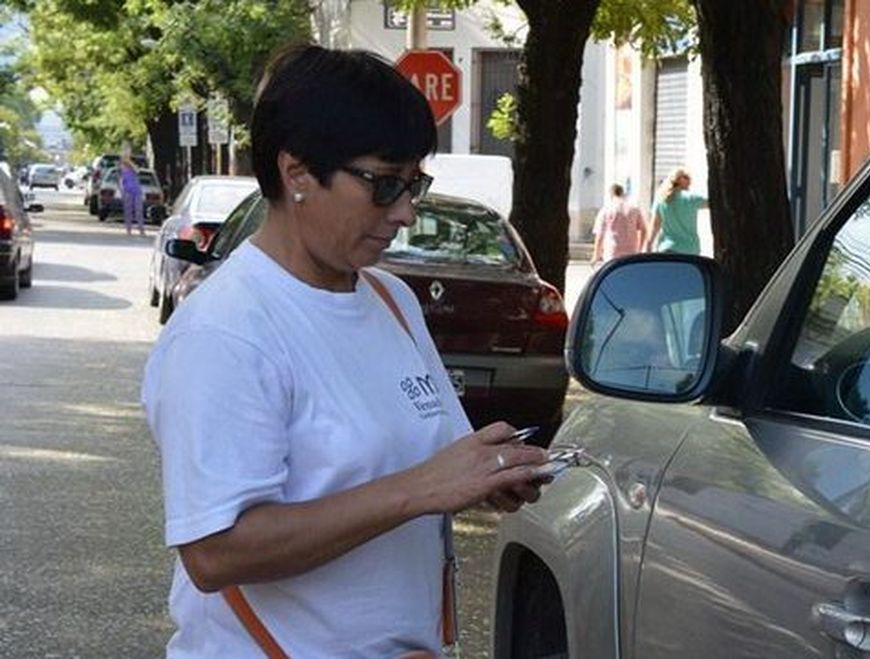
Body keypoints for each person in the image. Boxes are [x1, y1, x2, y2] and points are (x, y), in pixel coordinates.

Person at [140, 45, 551, 658]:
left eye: (415, 184)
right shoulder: (226, 330)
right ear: (298, 172)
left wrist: (483, 475)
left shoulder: (390, 299)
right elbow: (215, 551)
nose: (406, 212)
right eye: (384, 185)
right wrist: (422, 488)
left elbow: (422, 465)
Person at [645, 168, 708, 255]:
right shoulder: (692, 198)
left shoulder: (661, 199)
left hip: (667, 248)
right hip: (690, 250)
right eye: (687, 178)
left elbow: (655, 225)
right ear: (680, 180)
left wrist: (649, 245)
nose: (690, 181)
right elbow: (712, 203)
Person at [591, 182, 646, 265]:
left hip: (612, 252)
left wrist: (596, 255)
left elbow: (600, 234)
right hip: (631, 251)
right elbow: (643, 229)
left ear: (611, 195)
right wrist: (640, 248)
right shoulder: (634, 209)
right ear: (622, 193)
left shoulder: (606, 210)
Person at [120, 154, 145, 236]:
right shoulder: (123, 171)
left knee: (139, 211)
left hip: (137, 192)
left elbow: (137, 170)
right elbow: (121, 182)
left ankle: (141, 229)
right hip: (128, 192)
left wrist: (130, 162)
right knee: (128, 212)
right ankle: (128, 229)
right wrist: (122, 192)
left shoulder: (133, 170)